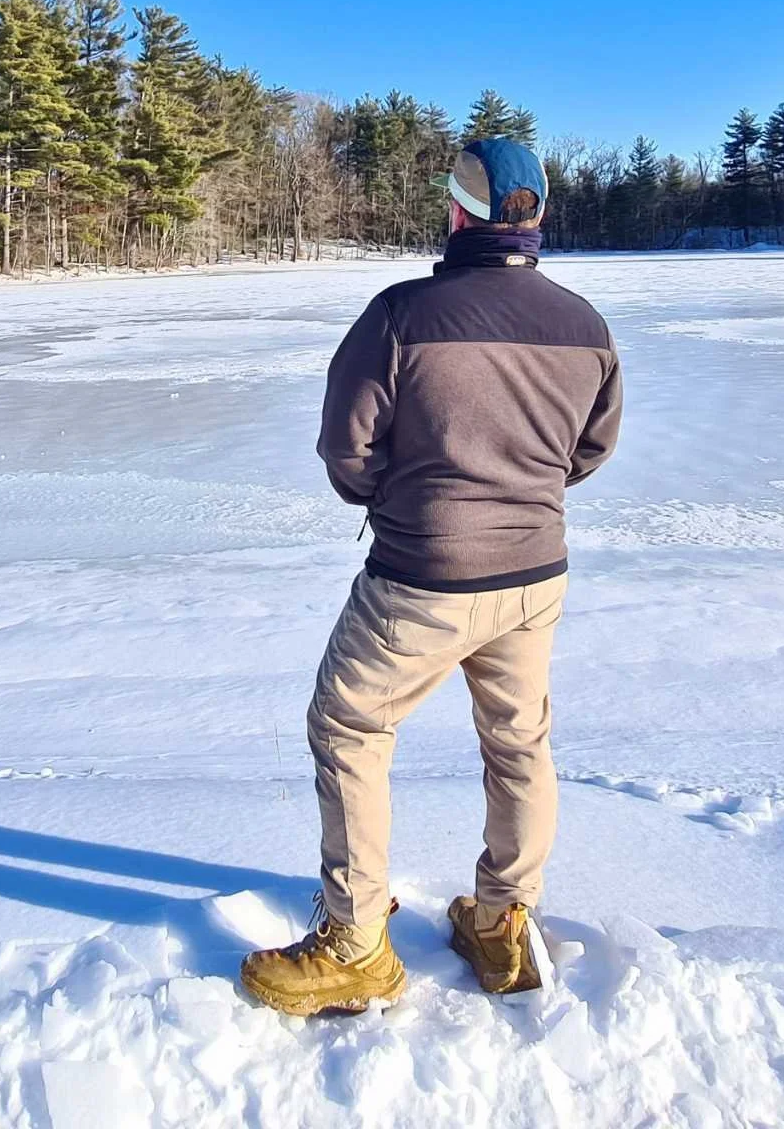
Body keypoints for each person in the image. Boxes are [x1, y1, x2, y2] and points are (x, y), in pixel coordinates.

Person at [239, 136, 624, 1016]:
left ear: (460, 212)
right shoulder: (586, 326)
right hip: (533, 573)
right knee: (519, 742)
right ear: (538, 216)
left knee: (348, 725)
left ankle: (356, 943)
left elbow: (347, 448)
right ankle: (500, 924)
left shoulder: (402, 315)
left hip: (423, 575)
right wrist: (518, 493)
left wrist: (399, 500)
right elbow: (589, 451)